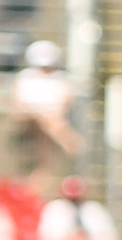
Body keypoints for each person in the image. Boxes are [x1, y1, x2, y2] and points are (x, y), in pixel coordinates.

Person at [6, 38, 76, 182]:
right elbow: (17, 105)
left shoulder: (61, 80)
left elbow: (66, 103)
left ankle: (42, 172)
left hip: (52, 122)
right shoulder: (25, 78)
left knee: (52, 128)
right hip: (31, 121)